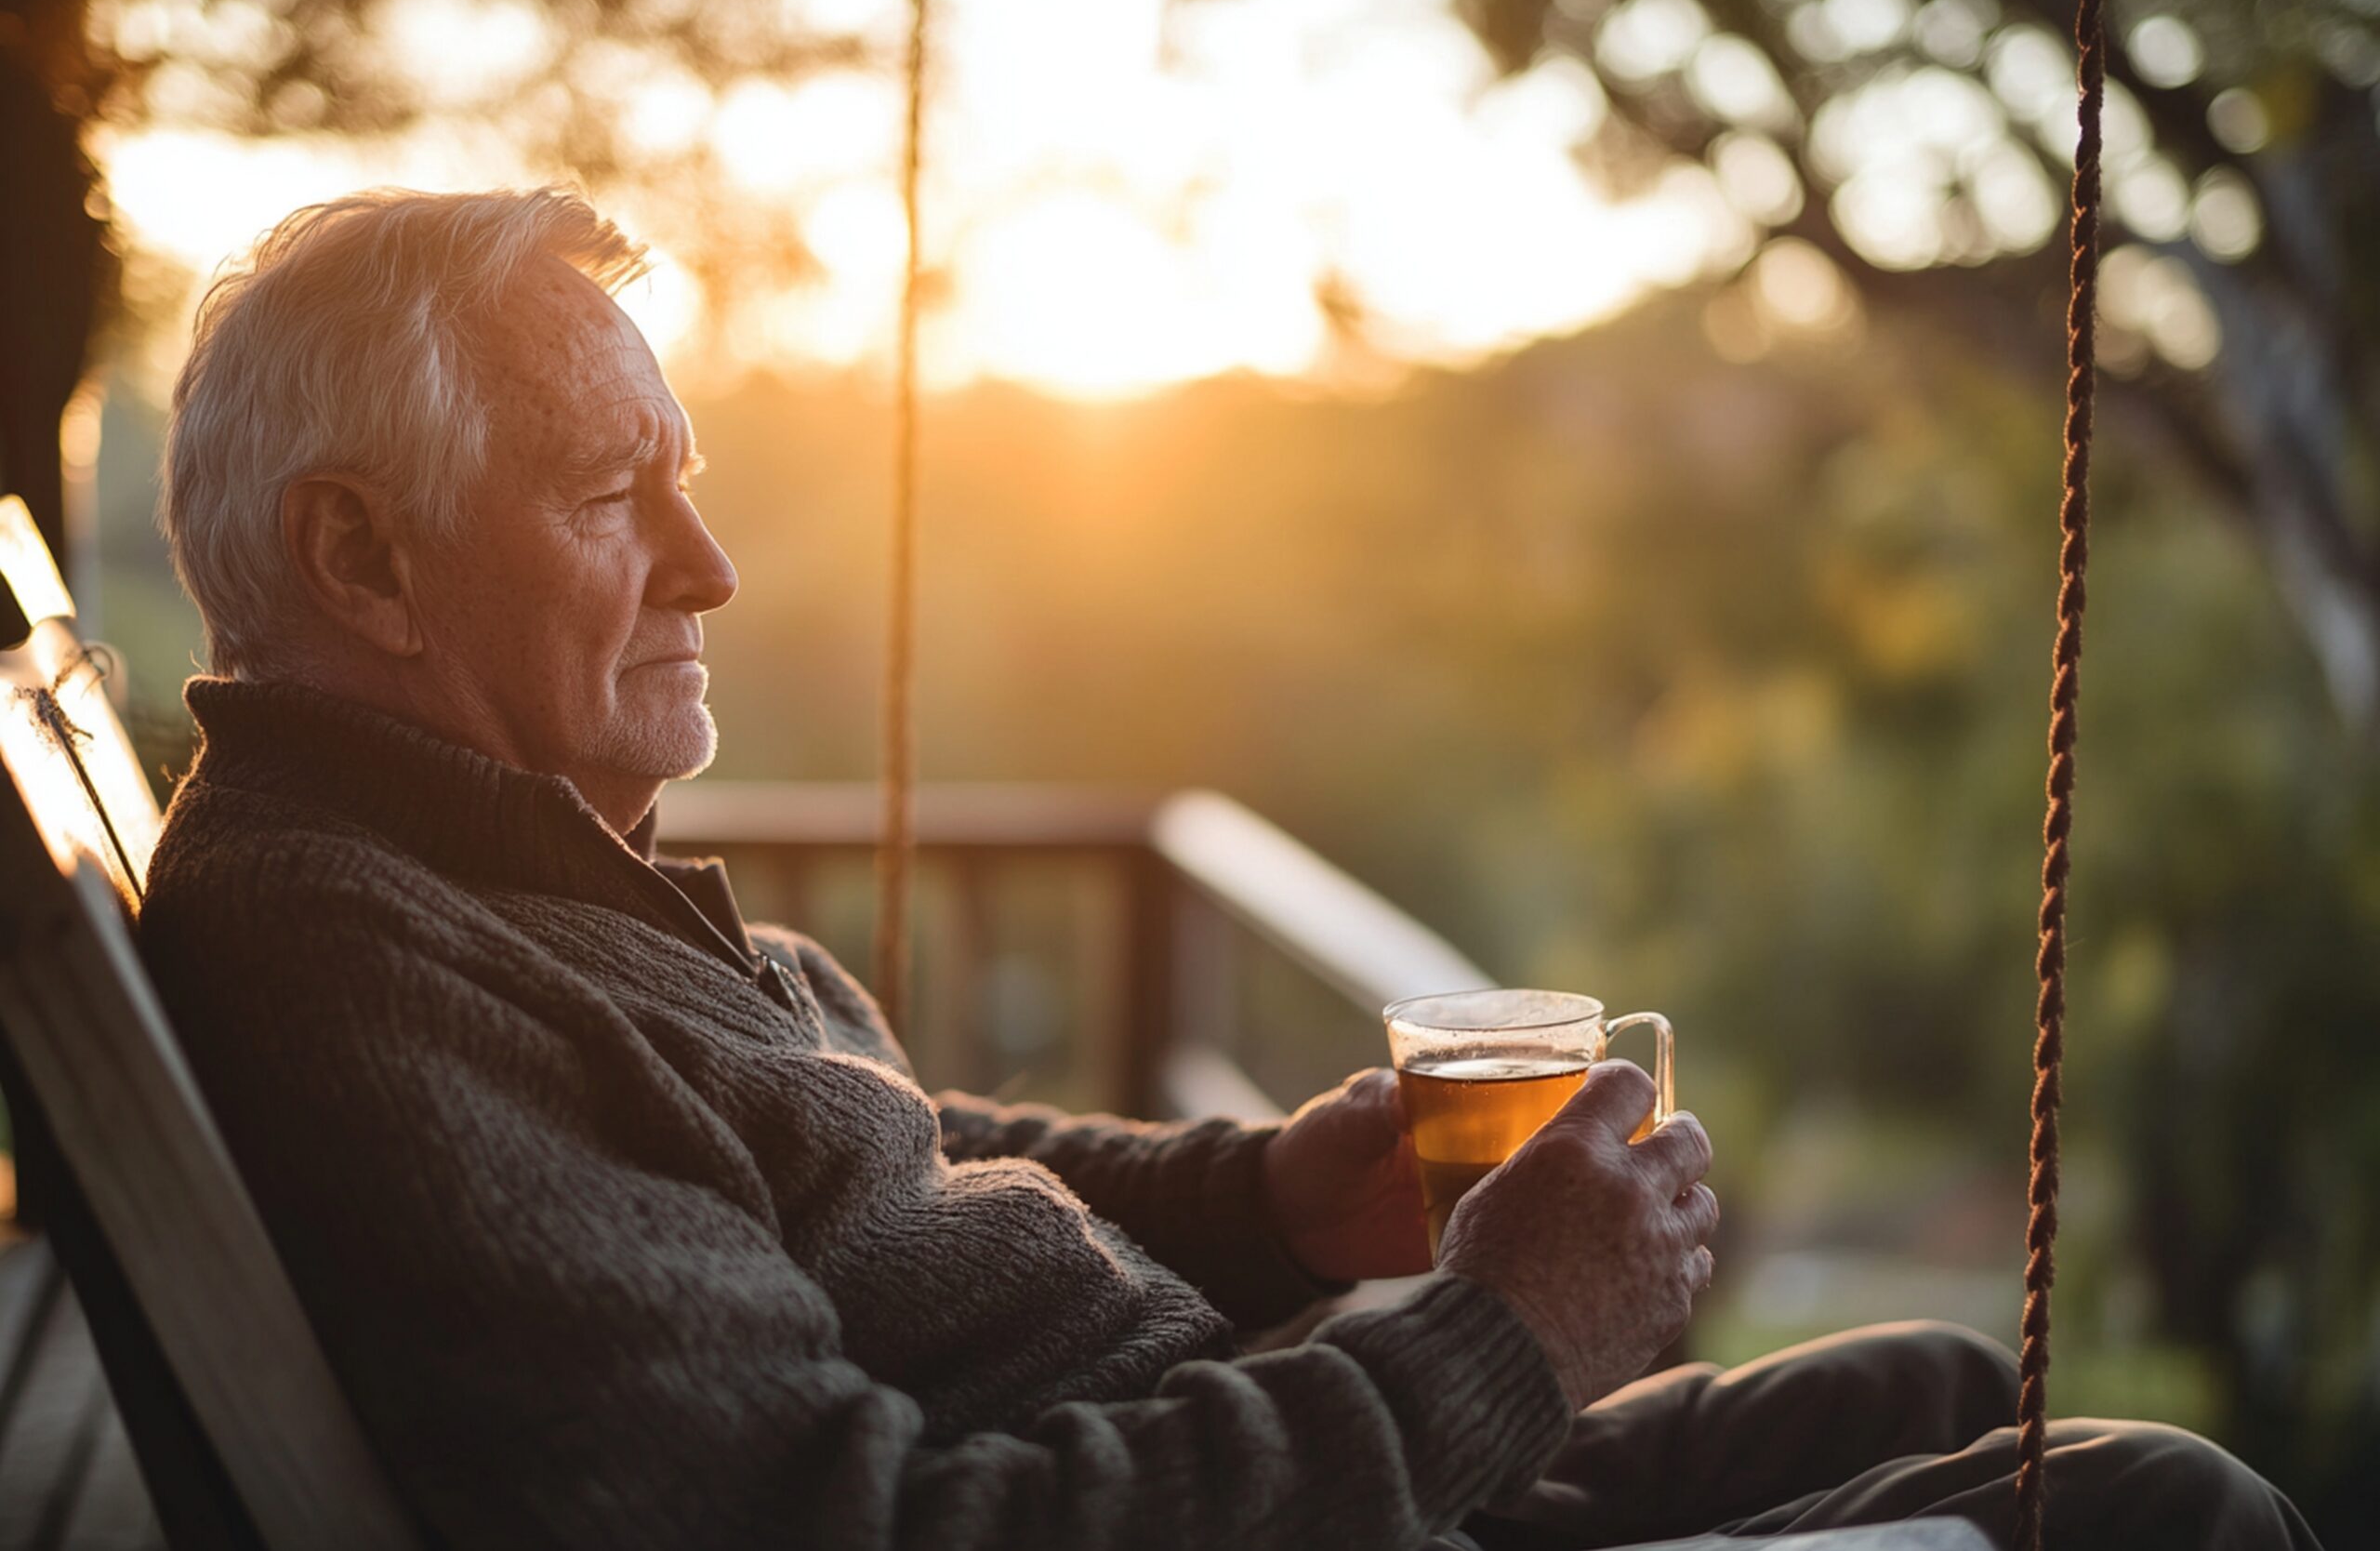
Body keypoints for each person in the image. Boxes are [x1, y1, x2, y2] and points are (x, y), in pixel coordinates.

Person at [136, 186, 2317, 1551]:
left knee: (1937, 1383)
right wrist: (1498, 1333)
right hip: (1232, 1490)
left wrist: (1270, 1194)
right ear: (360, 555)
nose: (705, 563)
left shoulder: (485, 873)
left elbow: (882, 1146)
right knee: (2157, 1505)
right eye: (615, 491)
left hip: (1228, 1436)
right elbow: (849, 1526)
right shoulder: (364, 964)